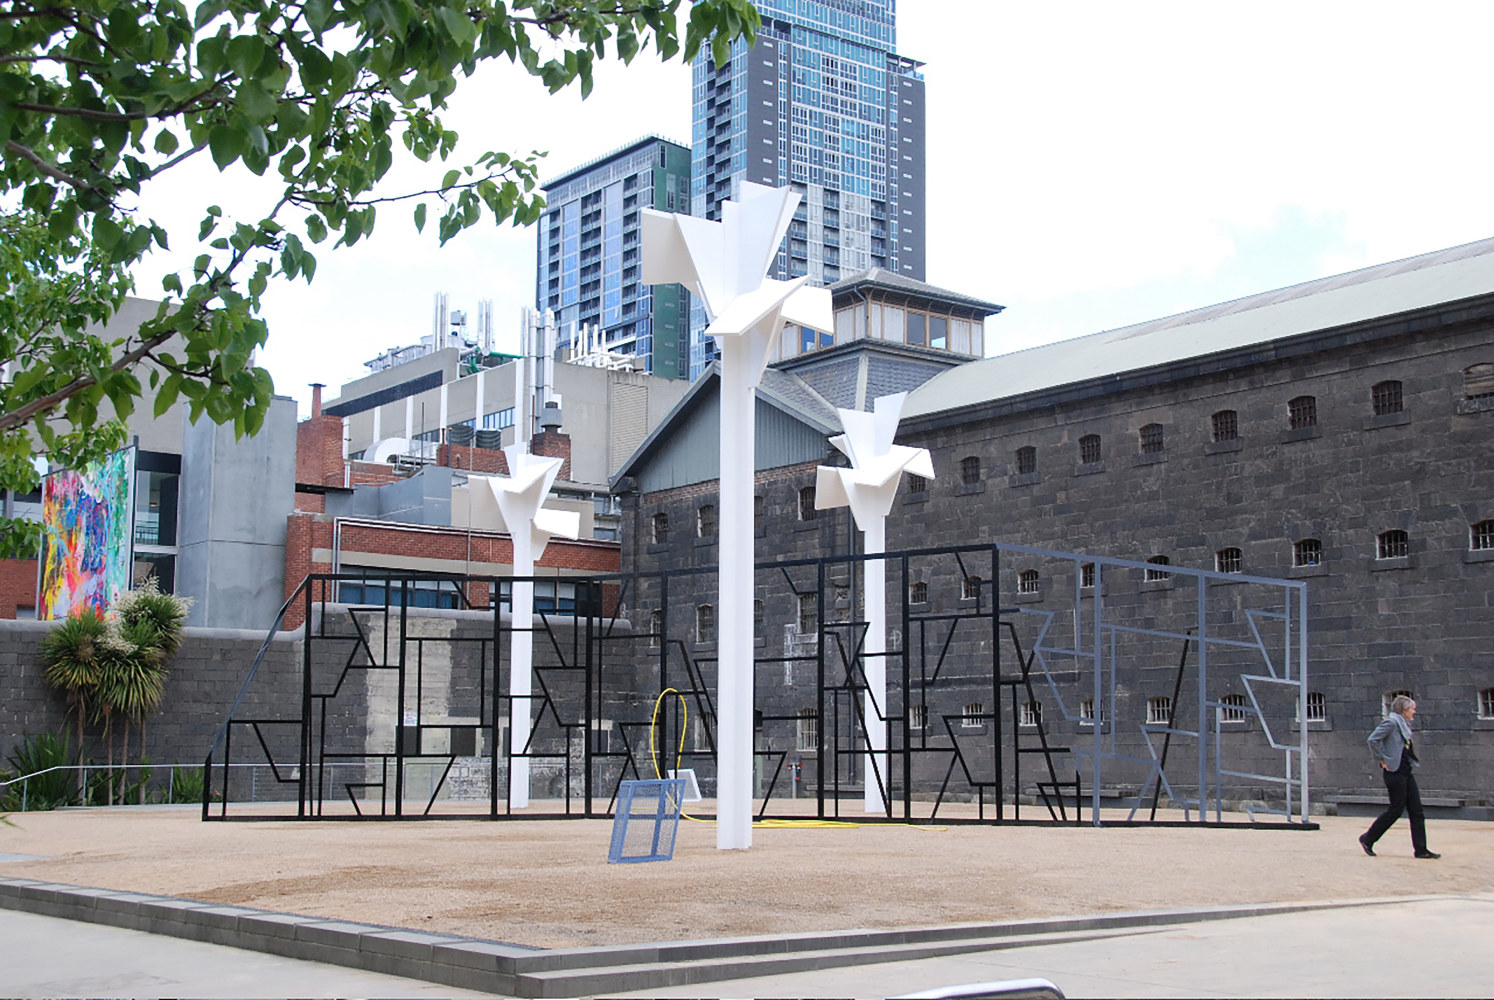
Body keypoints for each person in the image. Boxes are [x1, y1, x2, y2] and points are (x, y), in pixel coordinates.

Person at [1359, 695, 1440, 859]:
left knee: (1416, 810)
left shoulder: (1403, 724)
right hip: (1394, 772)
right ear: (1404, 710)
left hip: (1405, 770)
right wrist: (1382, 759)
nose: (1414, 712)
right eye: (1412, 709)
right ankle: (1368, 838)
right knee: (1396, 809)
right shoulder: (1391, 722)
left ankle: (1421, 849)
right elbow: (1372, 740)